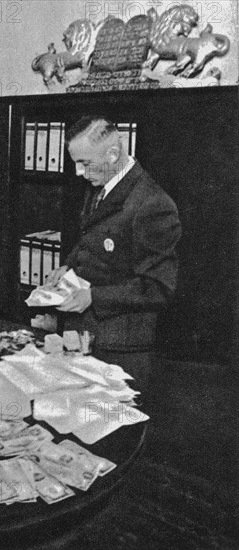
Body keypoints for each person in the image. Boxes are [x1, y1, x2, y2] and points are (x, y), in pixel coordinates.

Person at [48, 115, 181, 391]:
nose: (78, 172)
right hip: (84, 334)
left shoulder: (152, 203)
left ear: (112, 153)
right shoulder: (102, 182)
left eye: (84, 163)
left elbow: (158, 287)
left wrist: (92, 297)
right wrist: (68, 266)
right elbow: (93, 235)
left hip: (120, 347)